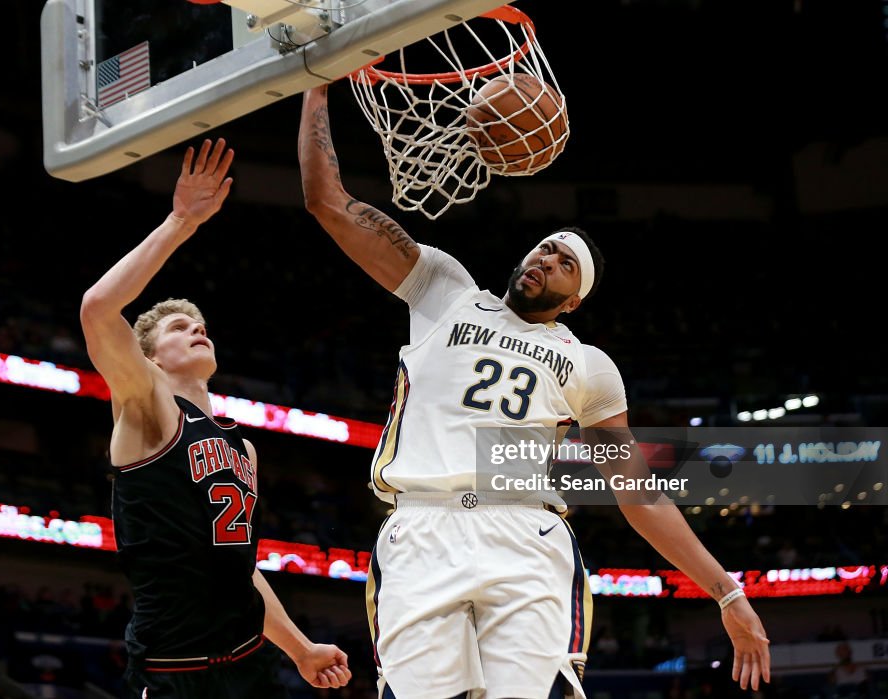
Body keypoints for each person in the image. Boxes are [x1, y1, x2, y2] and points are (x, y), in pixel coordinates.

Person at [298, 84, 771, 699]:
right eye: (546, 247)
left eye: (565, 263)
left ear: (574, 300)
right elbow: (327, 203)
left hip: (525, 538)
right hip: (419, 529)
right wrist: (317, 84)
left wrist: (727, 593)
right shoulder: (444, 290)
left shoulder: (588, 363)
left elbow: (638, 494)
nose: (546, 260)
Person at [80, 137, 351, 698]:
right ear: (149, 356)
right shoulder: (146, 404)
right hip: (177, 665)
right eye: (178, 328)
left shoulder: (242, 449)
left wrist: (300, 649)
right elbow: (98, 310)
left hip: (248, 661)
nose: (196, 328)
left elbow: (241, 567)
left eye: (199, 323)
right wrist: (181, 221)